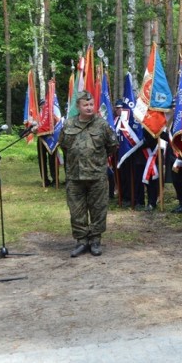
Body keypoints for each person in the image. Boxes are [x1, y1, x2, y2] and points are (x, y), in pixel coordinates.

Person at [58, 91, 118, 257]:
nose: (89, 107)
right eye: (86, 105)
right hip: (74, 177)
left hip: (97, 176)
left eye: (91, 104)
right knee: (76, 211)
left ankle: (95, 240)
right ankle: (81, 240)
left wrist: (97, 161)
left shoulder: (102, 125)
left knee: (98, 210)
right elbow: (63, 146)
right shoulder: (68, 125)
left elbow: (112, 146)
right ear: (78, 106)